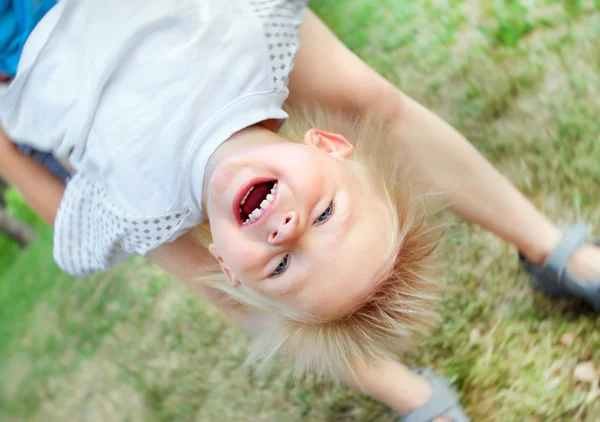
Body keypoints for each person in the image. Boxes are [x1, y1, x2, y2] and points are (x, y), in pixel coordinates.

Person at [0, 1, 598, 421]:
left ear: (226, 262)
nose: (288, 231)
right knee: (375, 102)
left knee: (257, 306)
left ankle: (414, 390)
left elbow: (69, 218)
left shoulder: (143, 209)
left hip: (18, 41)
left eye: (283, 266)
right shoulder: (256, 40)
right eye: (326, 216)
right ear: (330, 143)